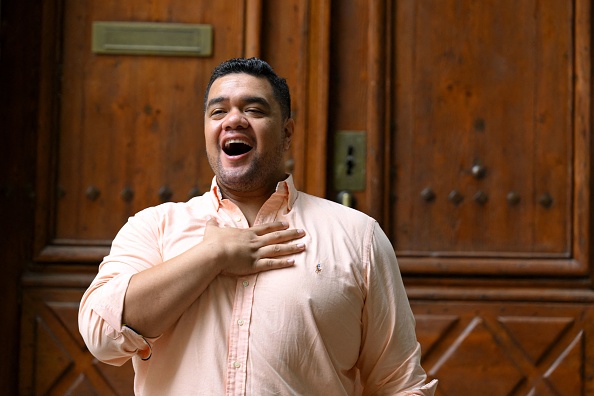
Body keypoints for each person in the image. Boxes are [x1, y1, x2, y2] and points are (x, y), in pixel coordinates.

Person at [78, 57, 437, 395]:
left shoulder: (358, 237)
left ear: (286, 132)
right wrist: (212, 254)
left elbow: (400, 383)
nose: (233, 120)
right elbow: (102, 337)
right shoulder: (153, 227)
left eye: (254, 109)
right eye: (218, 111)